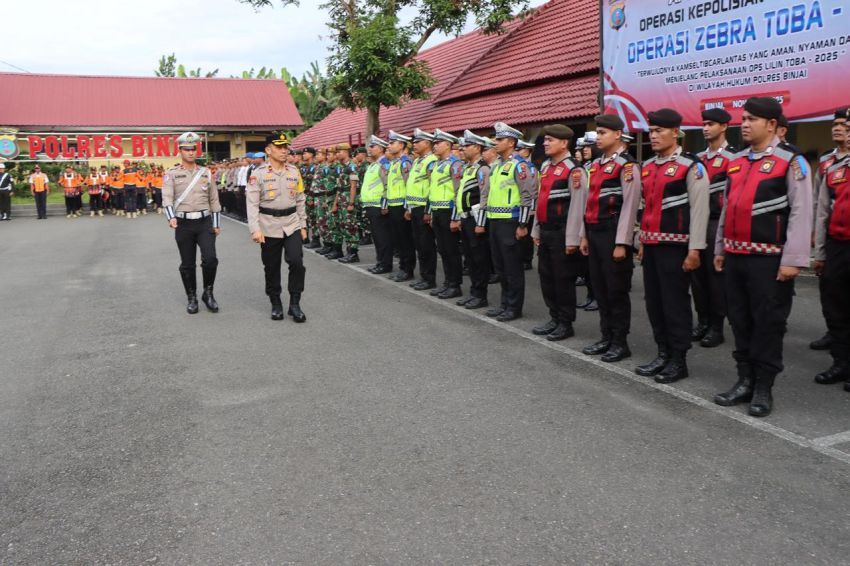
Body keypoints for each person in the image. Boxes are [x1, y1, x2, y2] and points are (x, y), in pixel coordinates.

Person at [713, 97, 813, 417]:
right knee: (740, 320)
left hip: (769, 259)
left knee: (768, 324)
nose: (743, 124)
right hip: (735, 255)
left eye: (751, 119)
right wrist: (719, 248)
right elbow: (727, 208)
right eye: (742, 118)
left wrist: (793, 258)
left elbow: (801, 210)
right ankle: (744, 380)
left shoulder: (791, 160)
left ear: (771, 125)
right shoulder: (737, 160)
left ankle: (763, 387)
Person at [636, 108, 709, 383]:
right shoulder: (648, 167)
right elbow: (645, 206)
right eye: (651, 131)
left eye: (659, 131)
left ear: (675, 133)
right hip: (652, 245)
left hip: (677, 247)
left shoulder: (691, 166)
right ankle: (663, 353)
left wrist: (695, 249)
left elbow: (700, 210)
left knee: (674, 303)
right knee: (654, 303)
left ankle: (679, 359)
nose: (653, 136)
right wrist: (640, 239)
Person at [581, 114, 641, 362]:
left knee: (616, 290)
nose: (598, 137)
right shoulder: (595, 165)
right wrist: (584, 235)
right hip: (595, 233)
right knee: (600, 288)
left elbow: (630, 206)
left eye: (603, 132)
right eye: (598, 132)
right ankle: (606, 336)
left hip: (613, 233)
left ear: (618, 135)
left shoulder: (627, 166)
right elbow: (589, 203)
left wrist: (622, 242)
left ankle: (620, 341)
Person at [528, 124, 588, 341]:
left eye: (550, 140)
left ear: (564, 143)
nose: (545, 143)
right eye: (545, 140)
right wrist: (535, 229)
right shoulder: (546, 167)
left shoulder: (575, 169)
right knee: (547, 277)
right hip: (546, 231)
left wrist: (572, 238)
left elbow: (578, 206)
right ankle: (554, 317)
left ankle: (565, 322)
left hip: (563, 232)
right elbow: (541, 200)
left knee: (563, 280)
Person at [246, 133, 307, 322]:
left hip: (292, 223)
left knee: (297, 263)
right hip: (268, 225)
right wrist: (255, 229)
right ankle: (276, 303)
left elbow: (300, 199)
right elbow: (252, 204)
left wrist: (303, 224)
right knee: (271, 267)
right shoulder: (258, 174)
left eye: (285, 147)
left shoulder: (294, 171)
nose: (284, 150)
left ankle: (295, 304)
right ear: (268, 150)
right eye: (279, 147)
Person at [162, 132, 221, 315]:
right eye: (186, 149)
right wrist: (171, 217)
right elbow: (167, 198)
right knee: (187, 263)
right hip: (183, 223)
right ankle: (192, 297)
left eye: (193, 149)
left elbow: (214, 199)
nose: (190, 152)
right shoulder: (171, 174)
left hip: (204, 223)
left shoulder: (205, 173)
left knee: (210, 259)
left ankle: (208, 293)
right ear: (180, 151)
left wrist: (216, 223)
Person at [813, 109, 850, 390]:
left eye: (845, 125)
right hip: (838, 244)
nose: (840, 129)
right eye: (837, 124)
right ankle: (841, 362)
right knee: (835, 301)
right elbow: (822, 209)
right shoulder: (831, 166)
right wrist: (821, 252)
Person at [693, 108, 735, 347]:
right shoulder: (699, 158)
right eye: (704, 124)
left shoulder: (733, 158)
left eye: (711, 124)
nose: (706, 128)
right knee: (697, 276)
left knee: (716, 277)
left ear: (724, 127)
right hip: (698, 221)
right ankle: (702, 320)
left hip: (717, 222)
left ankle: (716, 326)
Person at [485, 122, 536, 322]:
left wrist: (522, 225)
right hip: (495, 220)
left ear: (511, 142)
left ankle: (514, 307)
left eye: (499, 139)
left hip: (511, 221)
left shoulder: (519, 165)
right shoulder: (497, 165)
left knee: (512, 267)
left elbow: (527, 196)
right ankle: (505, 303)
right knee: (500, 266)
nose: (495, 142)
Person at [453, 131, 493, 309]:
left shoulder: (482, 168)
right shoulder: (468, 167)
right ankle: (474, 292)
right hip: (466, 218)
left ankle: (480, 294)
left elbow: (484, 197)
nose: (463, 149)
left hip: (477, 220)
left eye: (467, 146)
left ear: (477, 148)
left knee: (479, 259)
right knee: (469, 259)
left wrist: (481, 223)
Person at [427, 129, 464, 299]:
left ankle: (455, 285)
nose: (435, 146)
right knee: (442, 249)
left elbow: (458, 193)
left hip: (449, 211)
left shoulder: (455, 164)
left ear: (448, 145)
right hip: (437, 211)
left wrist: (456, 217)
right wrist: (432, 212)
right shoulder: (436, 164)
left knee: (451, 249)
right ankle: (448, 282)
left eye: (438, 143)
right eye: (434, 143)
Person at [405, 129, 438, 288]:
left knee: (426, 245)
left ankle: (429, 278)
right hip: (414, 207)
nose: (414, 145)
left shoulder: (431, 160)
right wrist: (408, 208)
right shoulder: (418, 161)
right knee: (419, 244)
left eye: (418, 142)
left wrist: (428, 211)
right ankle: (424, 276)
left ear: (427, 143)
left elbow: (432, 187)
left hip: (424, 208)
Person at [384, 130, 415, 279]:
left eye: (392, 143)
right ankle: (402, 267)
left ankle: (407, 269)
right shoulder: (394, 163)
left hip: (402, 206)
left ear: (401, 145)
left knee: (405, 239)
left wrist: (408, 207)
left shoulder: (405, 162)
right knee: (398, 239)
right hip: (393, 205)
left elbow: (409, 184)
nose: (389, 146)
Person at [360, 136, 393, 274]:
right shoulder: (373, 164)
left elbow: (387, 185)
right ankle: (380, 262)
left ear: (380, 148)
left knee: (382, 237)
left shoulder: (384, 164)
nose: (370, 149)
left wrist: (384, 204)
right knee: (377, 237)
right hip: (370, 205)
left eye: (373, 147)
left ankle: (385, 264)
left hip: (379, 206)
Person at [332, 144, 361, 263]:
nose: (337, 154)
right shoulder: (341, 167)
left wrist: (351, 203)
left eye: (339, 152)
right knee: (344, 226)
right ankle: (349, 252)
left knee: (351, 226)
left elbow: (354, 186)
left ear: (346, 152)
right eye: (336, 152)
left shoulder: (352, 167)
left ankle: (353, 253)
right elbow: (339, 188)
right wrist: (335, 204)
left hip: (349, 200)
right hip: (341, 200)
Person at [516, 139, 539, 271]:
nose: (517, 152)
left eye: (519, 149)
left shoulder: (529, 168)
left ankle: (527, 260)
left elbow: (533, 189)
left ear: (526, 152)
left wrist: (533, 208)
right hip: (519, 205)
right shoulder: (517, 165)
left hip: (529, 206)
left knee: (526, 237)